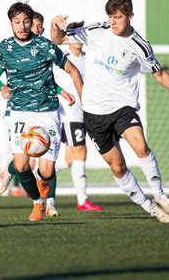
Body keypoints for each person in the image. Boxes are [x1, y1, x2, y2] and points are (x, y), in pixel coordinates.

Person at [51, 0, 169, 223]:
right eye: (110, 16)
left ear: (130, 15)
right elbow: (58, 39)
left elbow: (159, 73)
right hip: (93, 114)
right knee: (118, 168)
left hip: (123, 108)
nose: (113, 22)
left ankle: (159, 194)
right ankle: (149, 207)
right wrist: (55, 25)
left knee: (141, 147)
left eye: (118, 17)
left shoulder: (139, 45)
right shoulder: (95, 31)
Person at [0, 1, 83, 222]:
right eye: (17, 22)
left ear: (31, 23)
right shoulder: (4, 48)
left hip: (47, 112)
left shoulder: (45, 46)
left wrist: (85, 102)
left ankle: (45, 193)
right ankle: (38, 202)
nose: (22, 26)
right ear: (11, 23)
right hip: (20, 112)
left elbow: (72, 70)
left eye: (26, 21)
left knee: (46, 171)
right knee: (21, 165)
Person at [0, 11, 67, 218]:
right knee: (24, 160)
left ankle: (48, 202)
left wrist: (62, 91)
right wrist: (3, 87)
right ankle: (12, 174)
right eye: (36, 25)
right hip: (17, 110)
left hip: (44, 109)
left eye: (40, 26)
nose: (38, 29)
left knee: (45, 162)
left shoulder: (43, 47)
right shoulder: (11, 49)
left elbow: (45, 81)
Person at [53, 21, 103, 212]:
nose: (78, 39)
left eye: (80, 34)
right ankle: (82, 200)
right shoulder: (61, 58)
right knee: (81, 152)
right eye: (73, 34)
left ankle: (42, 172)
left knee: (69, 159)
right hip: (68, 113)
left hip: (84, 113)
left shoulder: (88, 58)